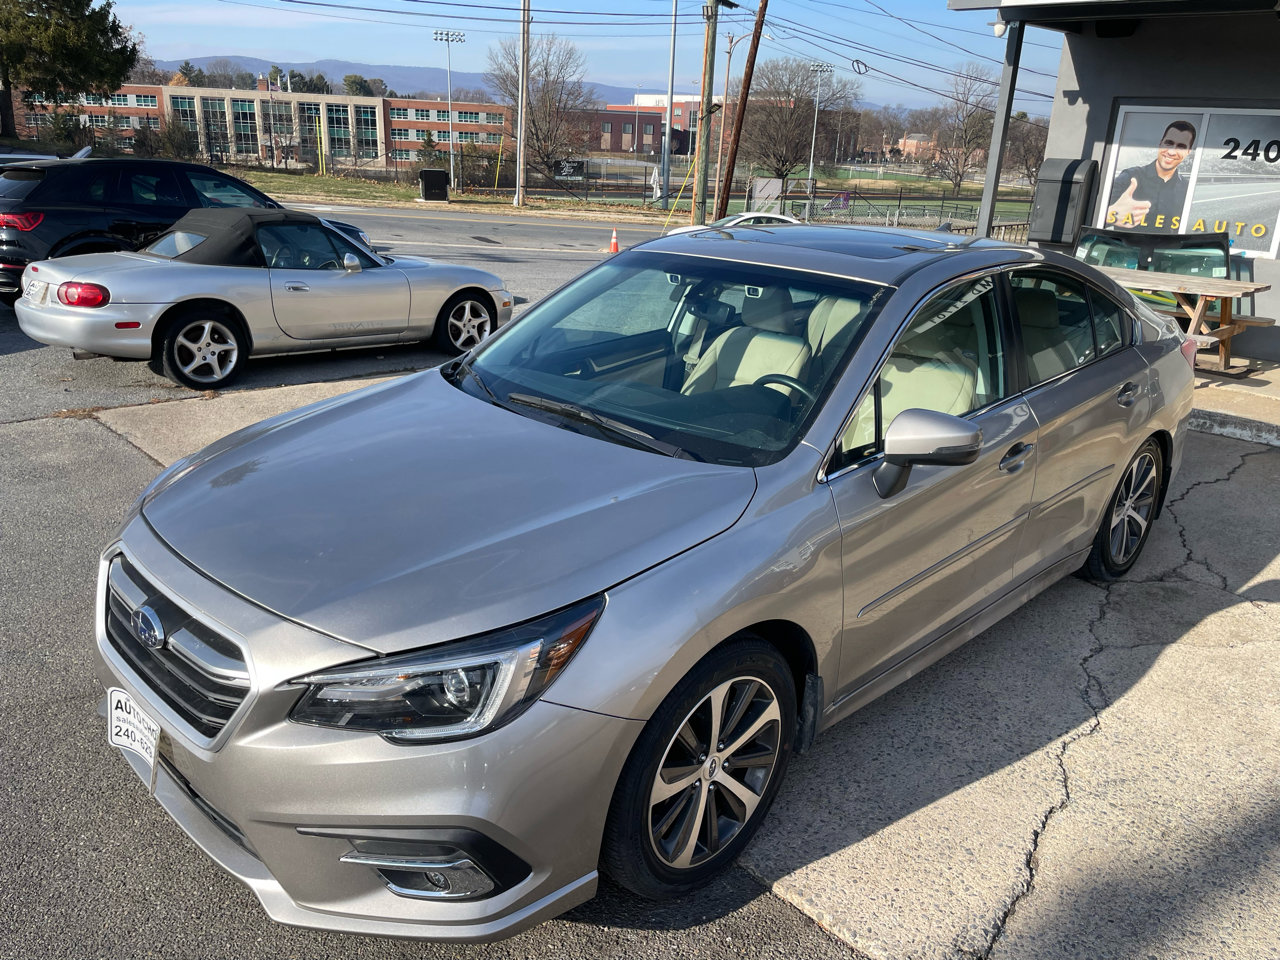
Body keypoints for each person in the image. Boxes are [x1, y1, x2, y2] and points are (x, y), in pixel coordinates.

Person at [1105, 120, 1196, 233]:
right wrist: (1110, 215)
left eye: (1181, 147)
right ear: (1160, 144)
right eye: (1168, 143)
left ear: (1188, 152)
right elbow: (1093, 215)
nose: (1172, 152)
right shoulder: (1129, 177)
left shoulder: (1187, 188)